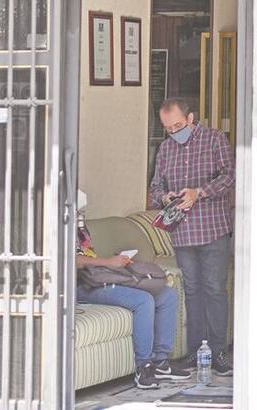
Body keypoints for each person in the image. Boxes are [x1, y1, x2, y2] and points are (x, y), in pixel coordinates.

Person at [149, 97, 235, 377]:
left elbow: (230, 176)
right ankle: (195, 351)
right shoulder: (165, 149)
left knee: (214, 289)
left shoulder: (214, 139)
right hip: (183, 231)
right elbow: (155, 188)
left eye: (177, 125)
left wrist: (200, 192)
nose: (174, 131)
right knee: (193, 291)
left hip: (213, 228)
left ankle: (219, 352)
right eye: (168, 128)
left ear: (190, 118)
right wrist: (166, 196)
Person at [75, 192, 188, 389]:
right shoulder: (52, 227)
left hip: (98, 277)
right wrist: (108, 262)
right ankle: (143, 367)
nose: (80, 213)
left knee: (167, 295)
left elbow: (88, 257)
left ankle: (160, 362)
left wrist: (116, 263)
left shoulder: (79, 228)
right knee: (143, 301)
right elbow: (71, 260)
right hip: (80, 287)